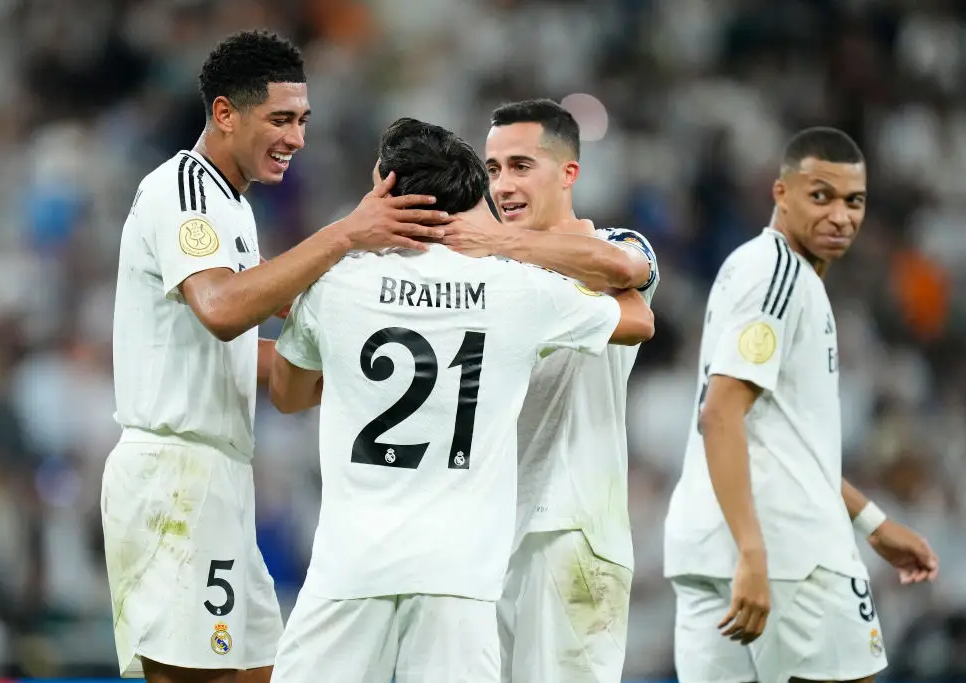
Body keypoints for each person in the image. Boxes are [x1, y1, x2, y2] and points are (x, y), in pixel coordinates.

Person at [101, 31, 449, 683]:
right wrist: (347, 232)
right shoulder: (184, 189)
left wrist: (367, 358)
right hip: (177, 478)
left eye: (303, 120)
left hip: (220, 480)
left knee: (263, 671)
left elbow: (245, 345)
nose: (297, 138)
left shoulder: (231, 206)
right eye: (281, 119)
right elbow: (224, 307)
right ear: (226, 113)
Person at [265, 117, 655, 683]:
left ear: (382, 187)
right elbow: (638, 320)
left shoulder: (334, 283)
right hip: (461, 577)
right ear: (472, 192)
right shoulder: (518, 289)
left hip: (351, 565)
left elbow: (288, 394)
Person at [663, 127, 939, 683]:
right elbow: (719, 415)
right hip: (786, 554)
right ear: (780, 195)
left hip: (709, 548)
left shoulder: (749, 268)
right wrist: (753, 552)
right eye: (821, 196)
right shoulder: (781, 278)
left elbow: (777, 439)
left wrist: (874, 524)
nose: (841, 215)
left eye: (853, 201)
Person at [437, 98, 659, 683]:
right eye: (492, 169)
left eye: (520, 165)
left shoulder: (616, 244)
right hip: (487, 535)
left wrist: (498, 244)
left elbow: (625, 270)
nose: (502, 184)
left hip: (571, 530)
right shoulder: (486, 268)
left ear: (568, 173)